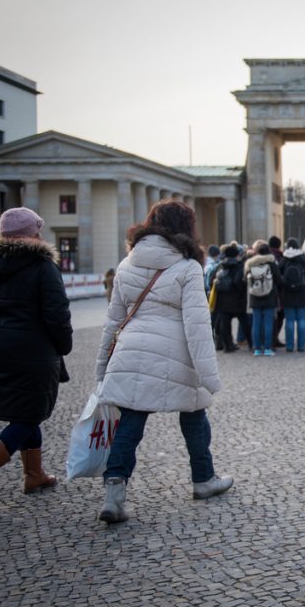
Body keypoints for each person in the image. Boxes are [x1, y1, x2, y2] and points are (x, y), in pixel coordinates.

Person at [95, 199, 231, 523]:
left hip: (131, 350)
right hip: (175, 352)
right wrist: (210, 376)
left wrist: (101, 366)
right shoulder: (187, 267)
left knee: (130, 421)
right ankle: (203, 478)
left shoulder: (127, 264)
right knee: (195, 416)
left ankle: (114, 492)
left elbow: (113, 320)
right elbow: (197, 326)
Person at [0, 207, 72, 511]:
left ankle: (34, 474)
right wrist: (64, 344)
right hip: (31, 345)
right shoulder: (43, 265)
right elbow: (56, 312)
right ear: (34, 234)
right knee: (31, 410)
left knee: (24, 407)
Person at [279, 237, 305, 353]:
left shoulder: (284, 260)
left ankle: (289, 346)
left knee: (289, 320)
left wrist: (283, 287)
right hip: (302, 294)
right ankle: (301, 346)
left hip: (287, 294)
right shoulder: (304, 259)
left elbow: (278, 276)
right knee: (301, 320)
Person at [245, 241, 282, 356]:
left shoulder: (250, 264)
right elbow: (279, 280)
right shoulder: (272, 264)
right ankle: (267, 348)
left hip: (254, 296)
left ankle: (256, 348)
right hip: (269, 296)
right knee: (268, 323)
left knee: (256, 323)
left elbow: (245, 279)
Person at [212, 243, 251, 353]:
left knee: (225, 324)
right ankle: (252, 343)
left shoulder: (220, 265)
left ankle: (227, 346)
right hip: (237, 299)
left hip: (222, 299)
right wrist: (242, 292)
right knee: (245, 323)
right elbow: (238, 281)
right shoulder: (239, 265)